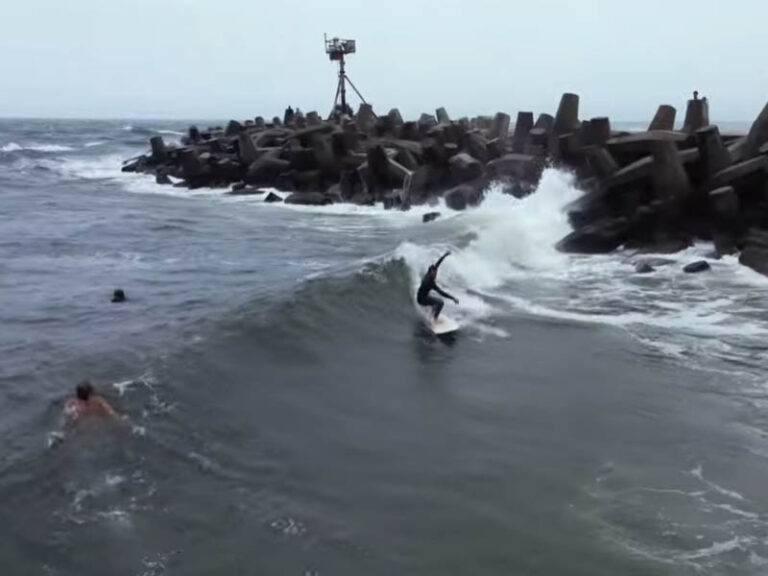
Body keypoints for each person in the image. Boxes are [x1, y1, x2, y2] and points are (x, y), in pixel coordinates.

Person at [417, 251, 459, 320]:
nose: (435, 275)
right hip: (421, 300)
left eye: (436, 273)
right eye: (434, 274)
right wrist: (453, 298)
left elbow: (437, 264)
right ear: (430, 273)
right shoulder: (429, 282)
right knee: (441, 303)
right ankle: (434, 318)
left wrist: (444, 256)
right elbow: (441, 292)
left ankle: (432, 313)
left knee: (435, 300)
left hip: (423, 296)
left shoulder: (429, 273)